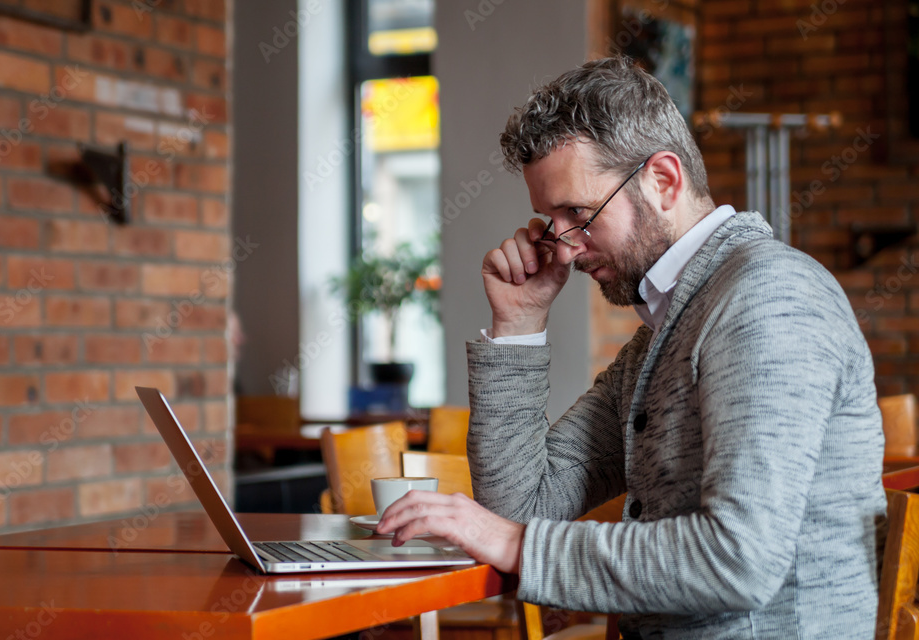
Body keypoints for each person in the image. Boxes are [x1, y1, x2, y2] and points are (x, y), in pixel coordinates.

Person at [377, 57, 886, 639]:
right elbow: (520, 506)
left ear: (663, 181)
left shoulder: (767, 297)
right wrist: (519, 322)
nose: (564, 248)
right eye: (552, 220)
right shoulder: (660, 337)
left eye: (580, 214)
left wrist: (519, 544)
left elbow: (737, 559)